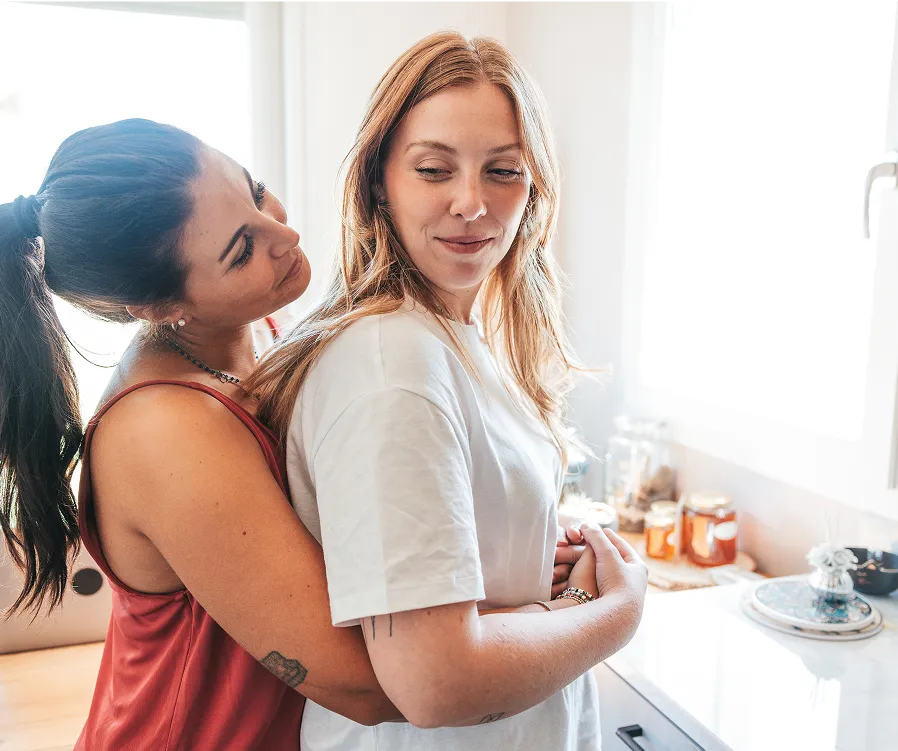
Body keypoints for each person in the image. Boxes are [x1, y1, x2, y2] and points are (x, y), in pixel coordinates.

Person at [248, 31, 648, 751]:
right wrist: (612, 607)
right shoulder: (390, 360)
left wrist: (519, 552)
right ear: (379, 181)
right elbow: (438, 681)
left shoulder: (452, 336)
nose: (473, 203)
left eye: (503, 171)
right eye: (434, 169)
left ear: (534, 188)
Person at [0, 119, 403, 750]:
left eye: (257, 190)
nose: (286, 233)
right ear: (160, 308)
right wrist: (588, 608)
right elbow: (366, 686)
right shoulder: (167, 431)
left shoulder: (259, 326)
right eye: (242, 249)